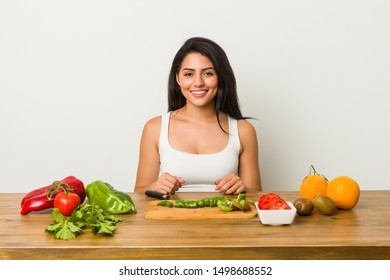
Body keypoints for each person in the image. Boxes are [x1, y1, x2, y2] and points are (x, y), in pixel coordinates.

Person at [134, 37, 261, 195]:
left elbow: (256, 195)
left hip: (226, 219)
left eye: (208, 73)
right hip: (169, 219)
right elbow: (139, 192)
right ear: (177, 78)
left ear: (220, 77)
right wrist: (153, 187)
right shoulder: (155, 128)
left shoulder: (244, 130)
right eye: (188, 74)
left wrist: (243, 188)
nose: (198, 82)